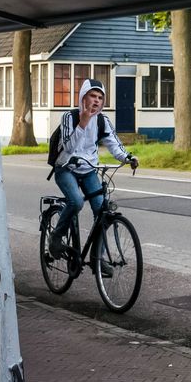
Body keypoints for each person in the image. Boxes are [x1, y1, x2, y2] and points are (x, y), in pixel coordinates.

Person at [48, 78, 138, 255]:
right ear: (83, 97)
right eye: (92, 96)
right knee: (76, 202)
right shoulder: (69, 117)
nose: (96, 100)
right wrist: (83, 122)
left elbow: (114, 144)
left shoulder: (102, 121)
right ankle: (56, 237)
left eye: (100, 97)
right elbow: (69, 147)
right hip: (66, 168)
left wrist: (128, 158)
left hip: (89, 170)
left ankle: (99, 259)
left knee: (103, 211)